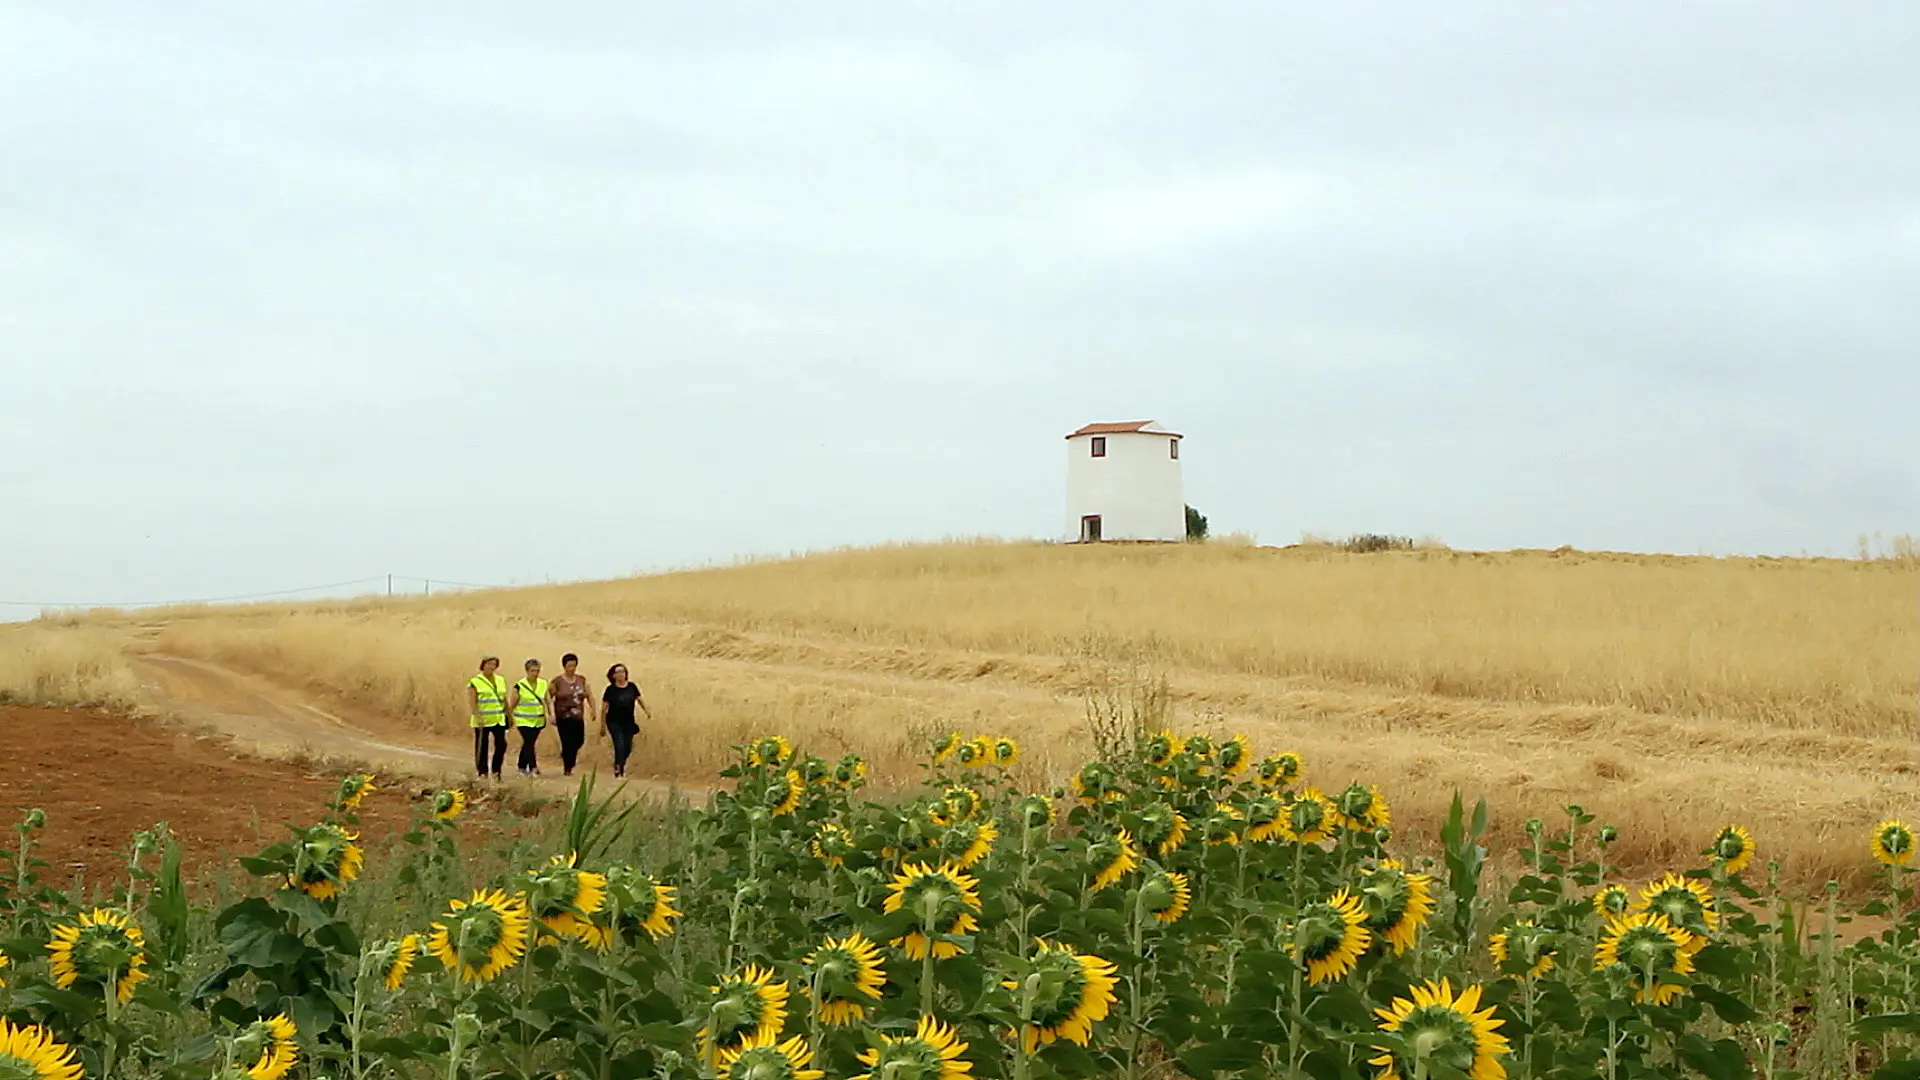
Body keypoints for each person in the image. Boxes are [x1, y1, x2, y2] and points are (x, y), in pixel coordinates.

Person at [601, 663, 651, 778]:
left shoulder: (632, 687)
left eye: (623, 672)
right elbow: (604, 708)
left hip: (628, 722)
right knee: (619, 744)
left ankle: (619, 762)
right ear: (613, 675)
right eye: (618, 672)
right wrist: (602, 725)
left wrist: (647, 711)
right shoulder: (610, 690)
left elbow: (639, 699)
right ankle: (619, 769)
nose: (621, 674)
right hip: (614, 722)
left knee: (627, 747)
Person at [550, 653, 596, 777]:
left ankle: (568, 756)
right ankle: (567, 767)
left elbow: (589, 695)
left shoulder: (581, 680)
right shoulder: (557, 681)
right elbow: (549, 698)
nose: (572, 668)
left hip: (577, 716)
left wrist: (593, 709)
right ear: (564, 666)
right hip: (563, 716)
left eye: (574, 665)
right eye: (569, 665)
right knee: (566, 741)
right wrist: (551, 714)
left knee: (579, 740)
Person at [507, 658, 553, 776]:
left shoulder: (543, 683)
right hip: (523, 720)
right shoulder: (520, 685)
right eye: (532, 671)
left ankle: (522, 766)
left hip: (538, 720)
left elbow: (548, 700)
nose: (535, 674)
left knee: (530, 743)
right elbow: (513, 702)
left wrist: (551, 714)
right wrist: (508, 716)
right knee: (529, 742)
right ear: (527, 671)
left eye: (537, 671)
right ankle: (533, 767)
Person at [467, 656, 509, 780]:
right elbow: (472, 701)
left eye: (494, 664)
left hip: (498, 718)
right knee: (482, 747)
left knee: (502, 745)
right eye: (489, 664)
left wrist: (508, 714)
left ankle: (496, 771)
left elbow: (503, 698)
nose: (491, 666)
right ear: (483, 665)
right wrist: (477, 716)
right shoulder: (475, 681)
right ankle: (482, 772)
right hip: (483, 720)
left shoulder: (500, 680)